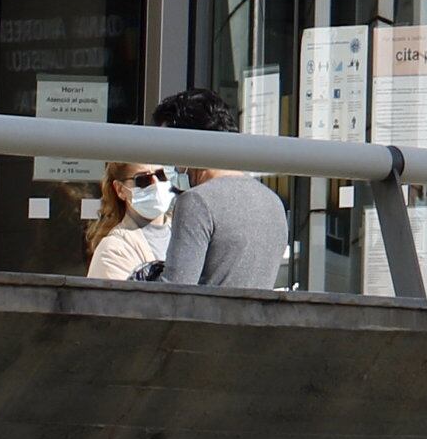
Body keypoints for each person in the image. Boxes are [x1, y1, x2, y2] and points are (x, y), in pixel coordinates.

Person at [151, 87, 289, 289]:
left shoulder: (197, 202)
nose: (170, 163)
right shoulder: (272, 202)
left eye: (169, 150)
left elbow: (174, 289)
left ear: (188, 145)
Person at [80, 163, 175, 283]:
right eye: (143, 180)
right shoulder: (113, 250)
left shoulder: (186, 232)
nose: (155, 184)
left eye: (162, 175)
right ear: (120, 189)